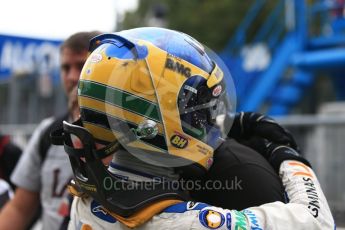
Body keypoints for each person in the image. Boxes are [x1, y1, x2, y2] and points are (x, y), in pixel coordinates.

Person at [52, 27, 334, 229]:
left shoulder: (85, 200)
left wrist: (222, 124)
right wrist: (288, 158)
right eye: (196, 110)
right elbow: (317, 221)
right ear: (151, 125)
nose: (206, 120)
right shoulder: (183, 222)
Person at [0, 31, 101, 230]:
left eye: (82, 66)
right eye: (65, 68)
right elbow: (20, 208)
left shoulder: (130, 135)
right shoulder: (48, 132)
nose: (72, 76)